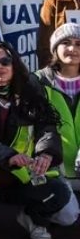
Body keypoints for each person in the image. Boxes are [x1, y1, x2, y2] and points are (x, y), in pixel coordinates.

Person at [0, 41, 71, 239]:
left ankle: (32, 218)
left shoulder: (32, 96)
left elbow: (47, 129)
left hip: (23, 175)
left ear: (14, 66)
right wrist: (9, 156)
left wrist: (46, 153)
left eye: (5, 61)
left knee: (59, 192)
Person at [34, 23, 80, 195]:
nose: (72, 49)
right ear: (55, 48)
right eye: (65, 43)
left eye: (78, 44)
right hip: (54, 173)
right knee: (66, 210)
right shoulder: (37, 82)